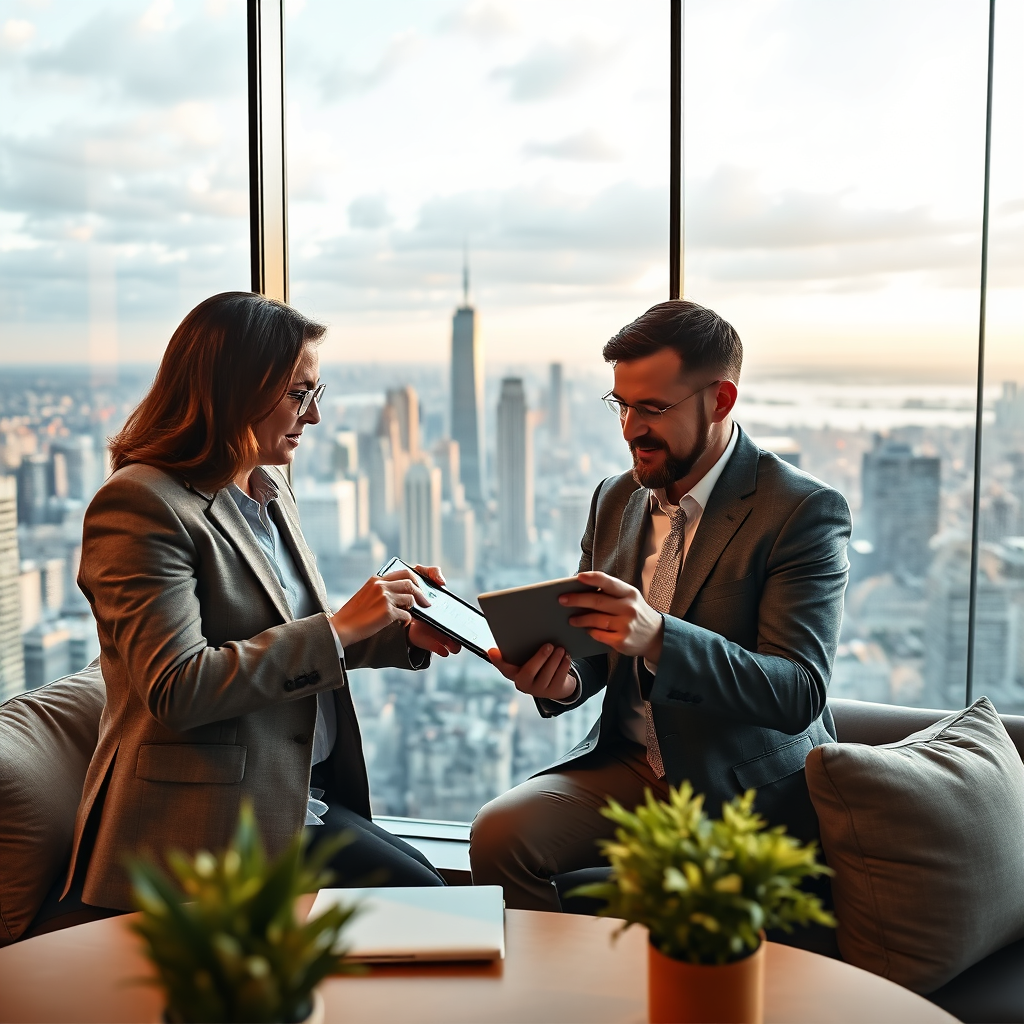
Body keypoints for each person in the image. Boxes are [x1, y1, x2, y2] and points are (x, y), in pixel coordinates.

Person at [471, 300, 852, 945]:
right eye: (620, 405)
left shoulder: (800, 510)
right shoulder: (615, 496)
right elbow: (594, 646)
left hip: (733, 783)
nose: (630, 429)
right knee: (500, 834)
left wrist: (658, 638)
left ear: (721, 399)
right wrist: (562, 680)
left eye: (652, 408)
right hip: (630, 765)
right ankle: (550, 995)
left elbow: (798, 691)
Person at [65, 292, 460, 913]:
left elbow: (283, 630)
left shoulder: (266, 488)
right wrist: (339, 629)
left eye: (316, 393)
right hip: (209, 820)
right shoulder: (140, 504)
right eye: (299, 395)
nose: (314, 416)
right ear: (235, 390)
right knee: (426, 903)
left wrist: (397, 631)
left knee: (428, 889)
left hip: (293, 792)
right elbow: (178, 687)